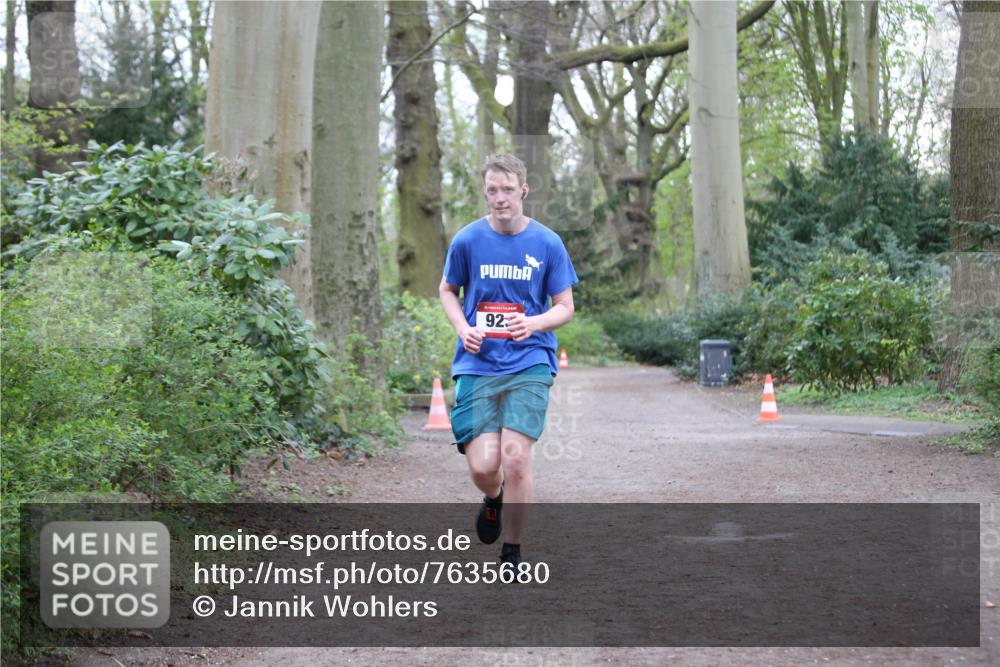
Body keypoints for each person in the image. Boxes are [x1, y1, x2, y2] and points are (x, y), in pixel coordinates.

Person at [438, 154, 578, 566]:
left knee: (515, 457)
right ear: (486, 194)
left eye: (507, 190)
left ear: (523, 190)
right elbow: (447, 290)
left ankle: (513, 550)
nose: (500, 198)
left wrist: (533, 324)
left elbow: (565, 306)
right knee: (484, 466)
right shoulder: (466, 240)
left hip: (529, 362)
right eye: (492, 191)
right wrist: (463, 328)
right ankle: (493, 497)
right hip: (477, 363)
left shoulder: (547, 243)